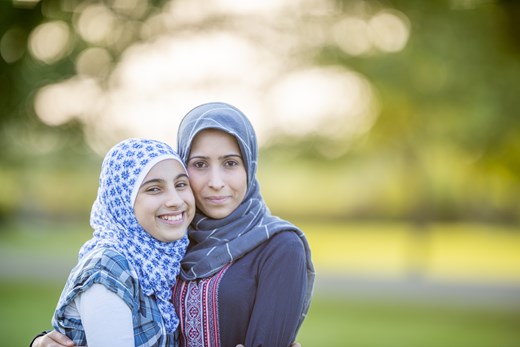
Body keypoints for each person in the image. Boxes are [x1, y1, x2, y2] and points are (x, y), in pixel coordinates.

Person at [31, 102, 314, 347]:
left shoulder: (280, 247)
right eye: (200, 164)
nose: (216, 182)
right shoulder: (167, 242)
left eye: (230, 163)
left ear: (249, 167)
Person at [49, 138, 195, 346]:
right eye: (154, 189)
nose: (176, 200)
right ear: (122, 200)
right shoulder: (108, 269)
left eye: (181, 184)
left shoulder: (166, 258)